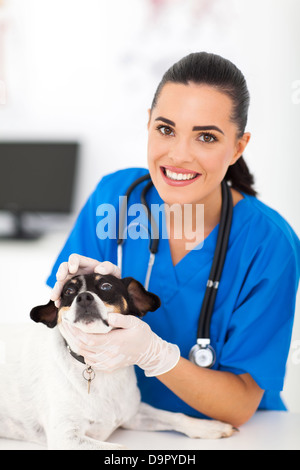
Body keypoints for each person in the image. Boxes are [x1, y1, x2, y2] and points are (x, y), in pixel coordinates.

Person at [47, 52, 300, 428]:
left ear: (237, 147)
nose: (179, 155)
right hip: (111, 424)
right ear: (148, 123)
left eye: (206, 137)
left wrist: (154, 354)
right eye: (166, 129)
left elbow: (240, 405)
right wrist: (68, 299)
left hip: (223, 436)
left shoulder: (268, 245)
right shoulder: (114, 198)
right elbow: (61, 331)